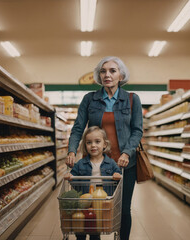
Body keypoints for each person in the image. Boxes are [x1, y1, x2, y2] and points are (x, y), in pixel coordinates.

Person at [67, 56, 143, 239]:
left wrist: (127, 152)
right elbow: (78, 127)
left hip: (124, 164)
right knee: (92, 207)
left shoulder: (132, 99)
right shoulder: (90, 99)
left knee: (123, 210)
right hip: (95, 164)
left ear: (121, 75)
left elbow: (137, 130)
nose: (107, 75)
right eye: (103, 71)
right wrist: (71, 150)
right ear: (98, 75)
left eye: (112, 71)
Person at [65, 126, 122, 240]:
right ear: (85, 145)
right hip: (84, 201)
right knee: (81, 227)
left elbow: (118, 174)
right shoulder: (80, 163)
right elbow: (74, 176)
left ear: (104, 144)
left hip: (101, 202)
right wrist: (70, 176)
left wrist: (117, 175)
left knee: (95, 228)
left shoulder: (110, 163)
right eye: (89, 142)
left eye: (97, 141)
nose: (93, 145)